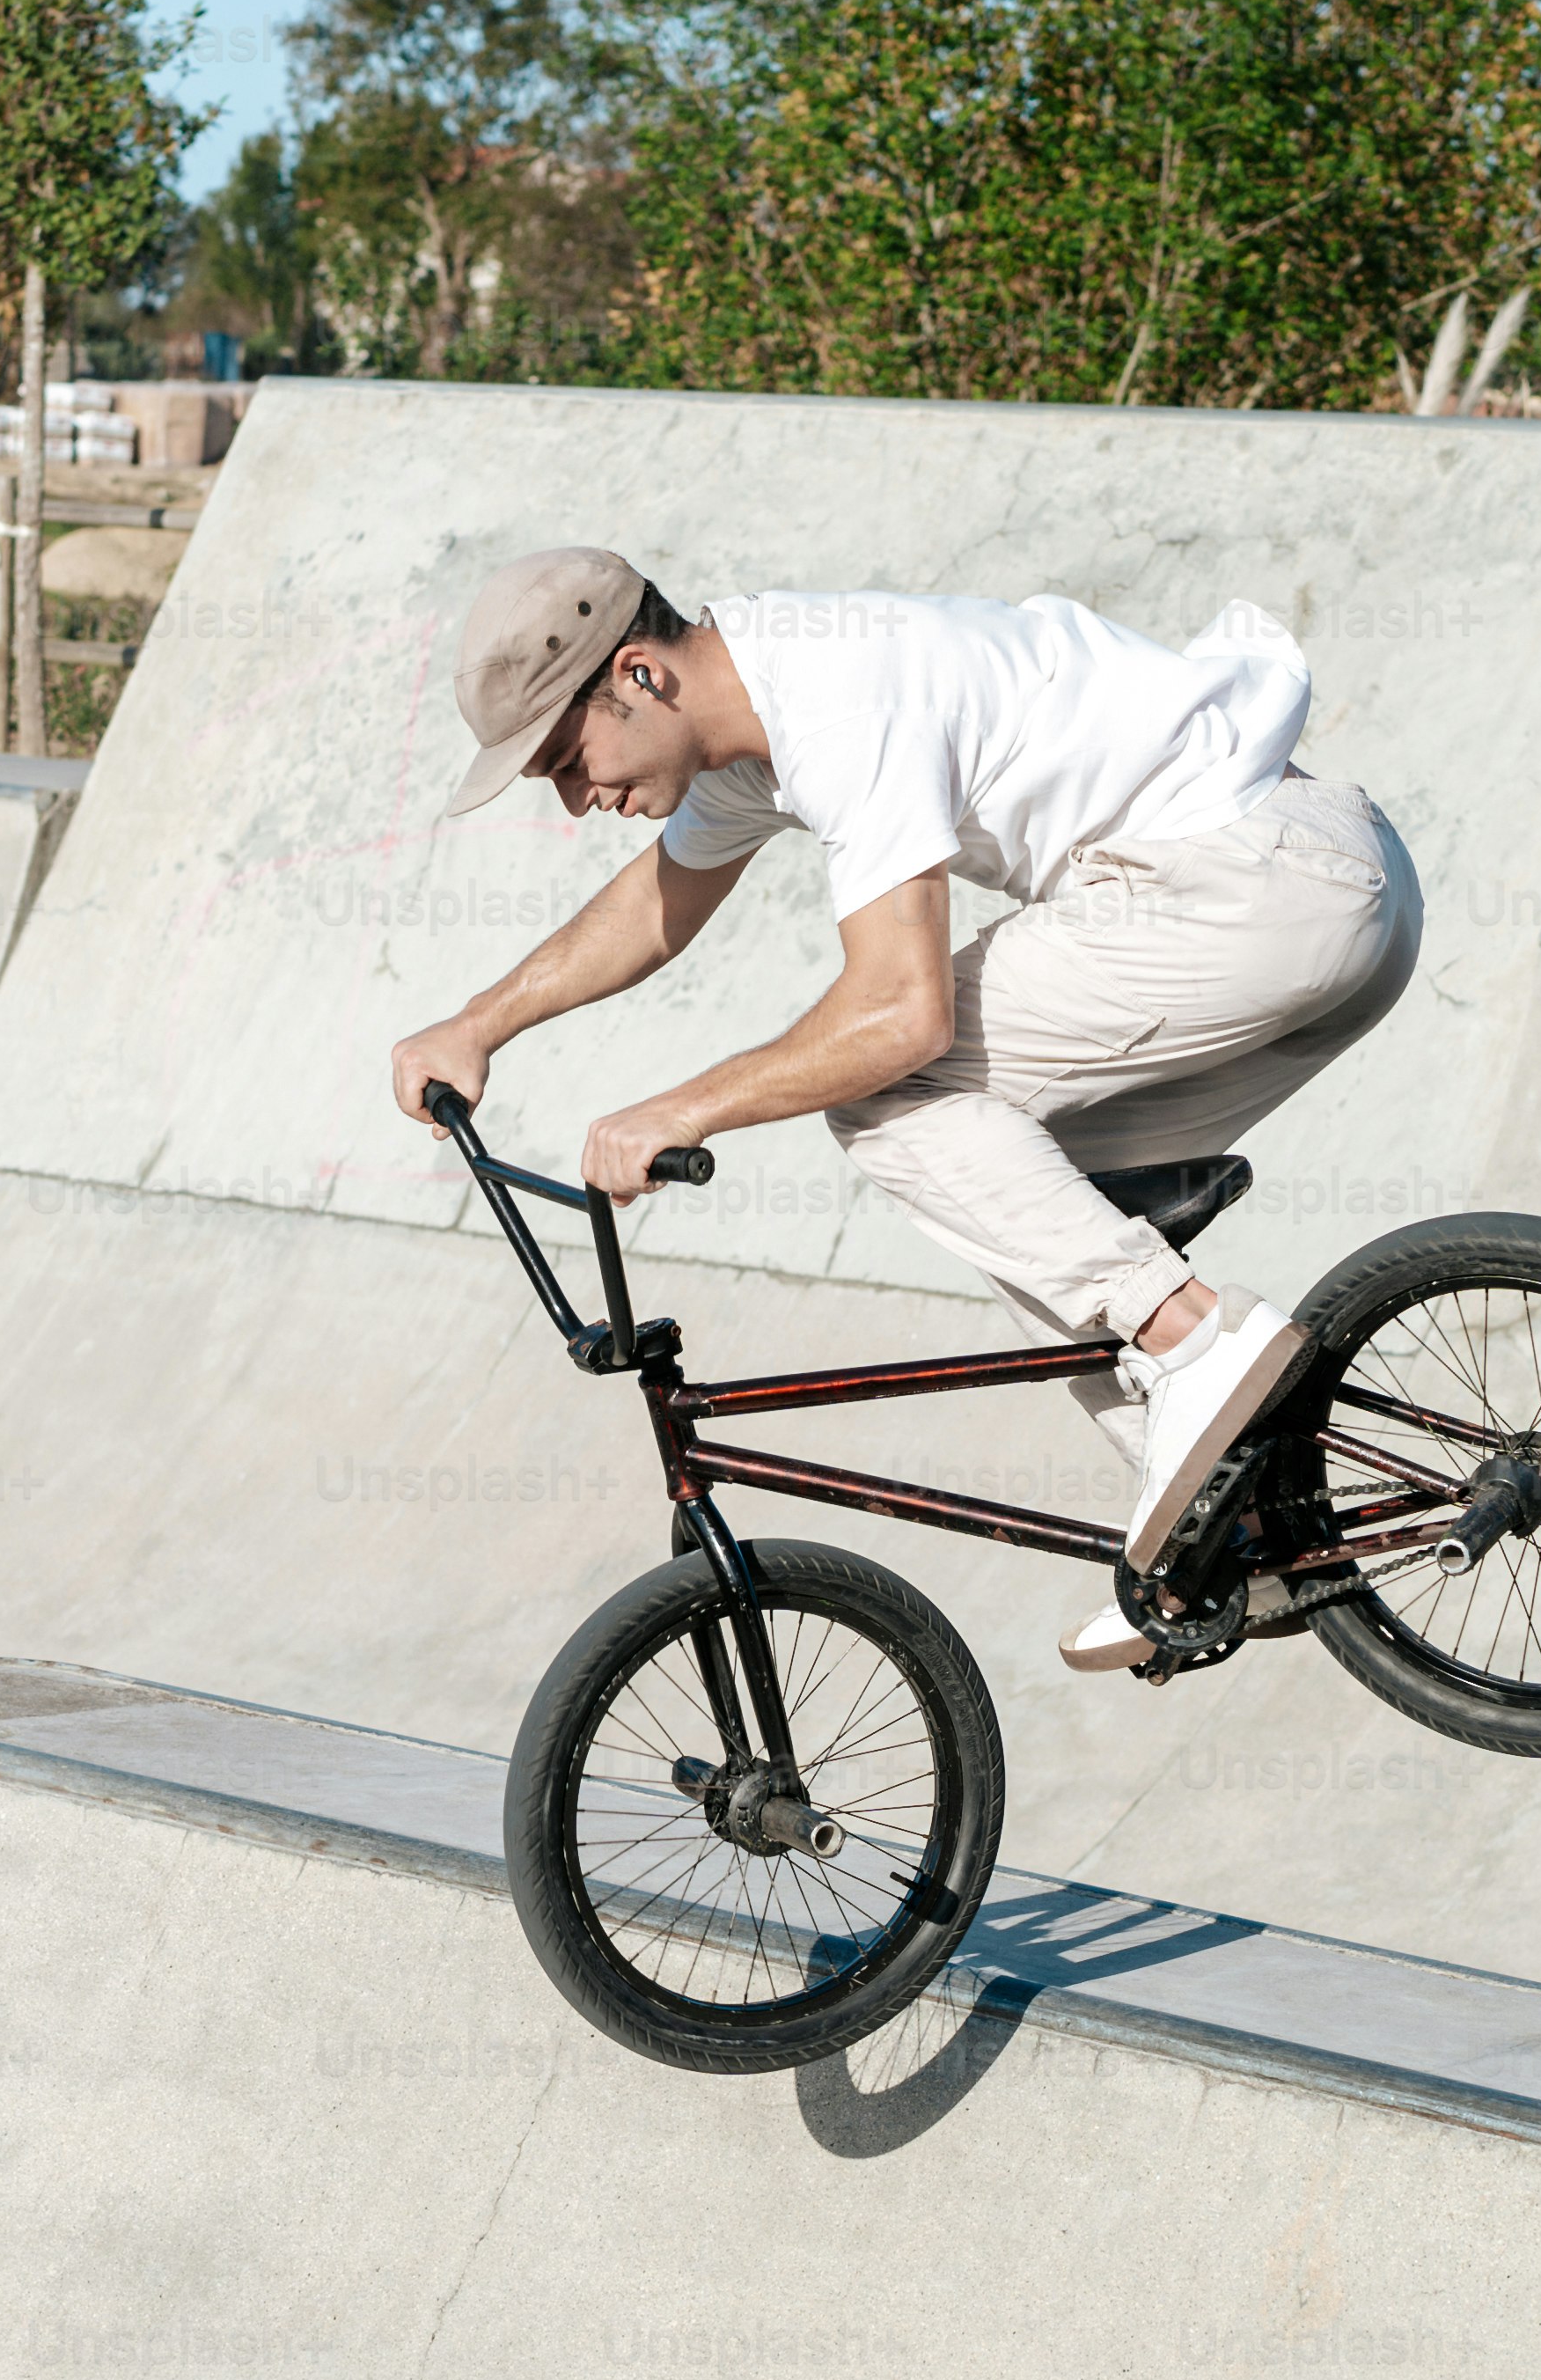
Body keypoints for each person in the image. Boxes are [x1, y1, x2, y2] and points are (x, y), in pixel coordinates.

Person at [386, 547, 1421, 1672]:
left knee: (889, 1098)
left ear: (637, 675)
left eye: (563, 759)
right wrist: (476, 1024)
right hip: (1314, 902)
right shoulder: (750, 724)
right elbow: (653, 906)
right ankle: (1239, 1528)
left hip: (1254, 891)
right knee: (1010, 1190)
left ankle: (1197, 1341)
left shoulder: (838, 702)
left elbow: (899, 1015)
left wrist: (683, 1108)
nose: (578, 799)